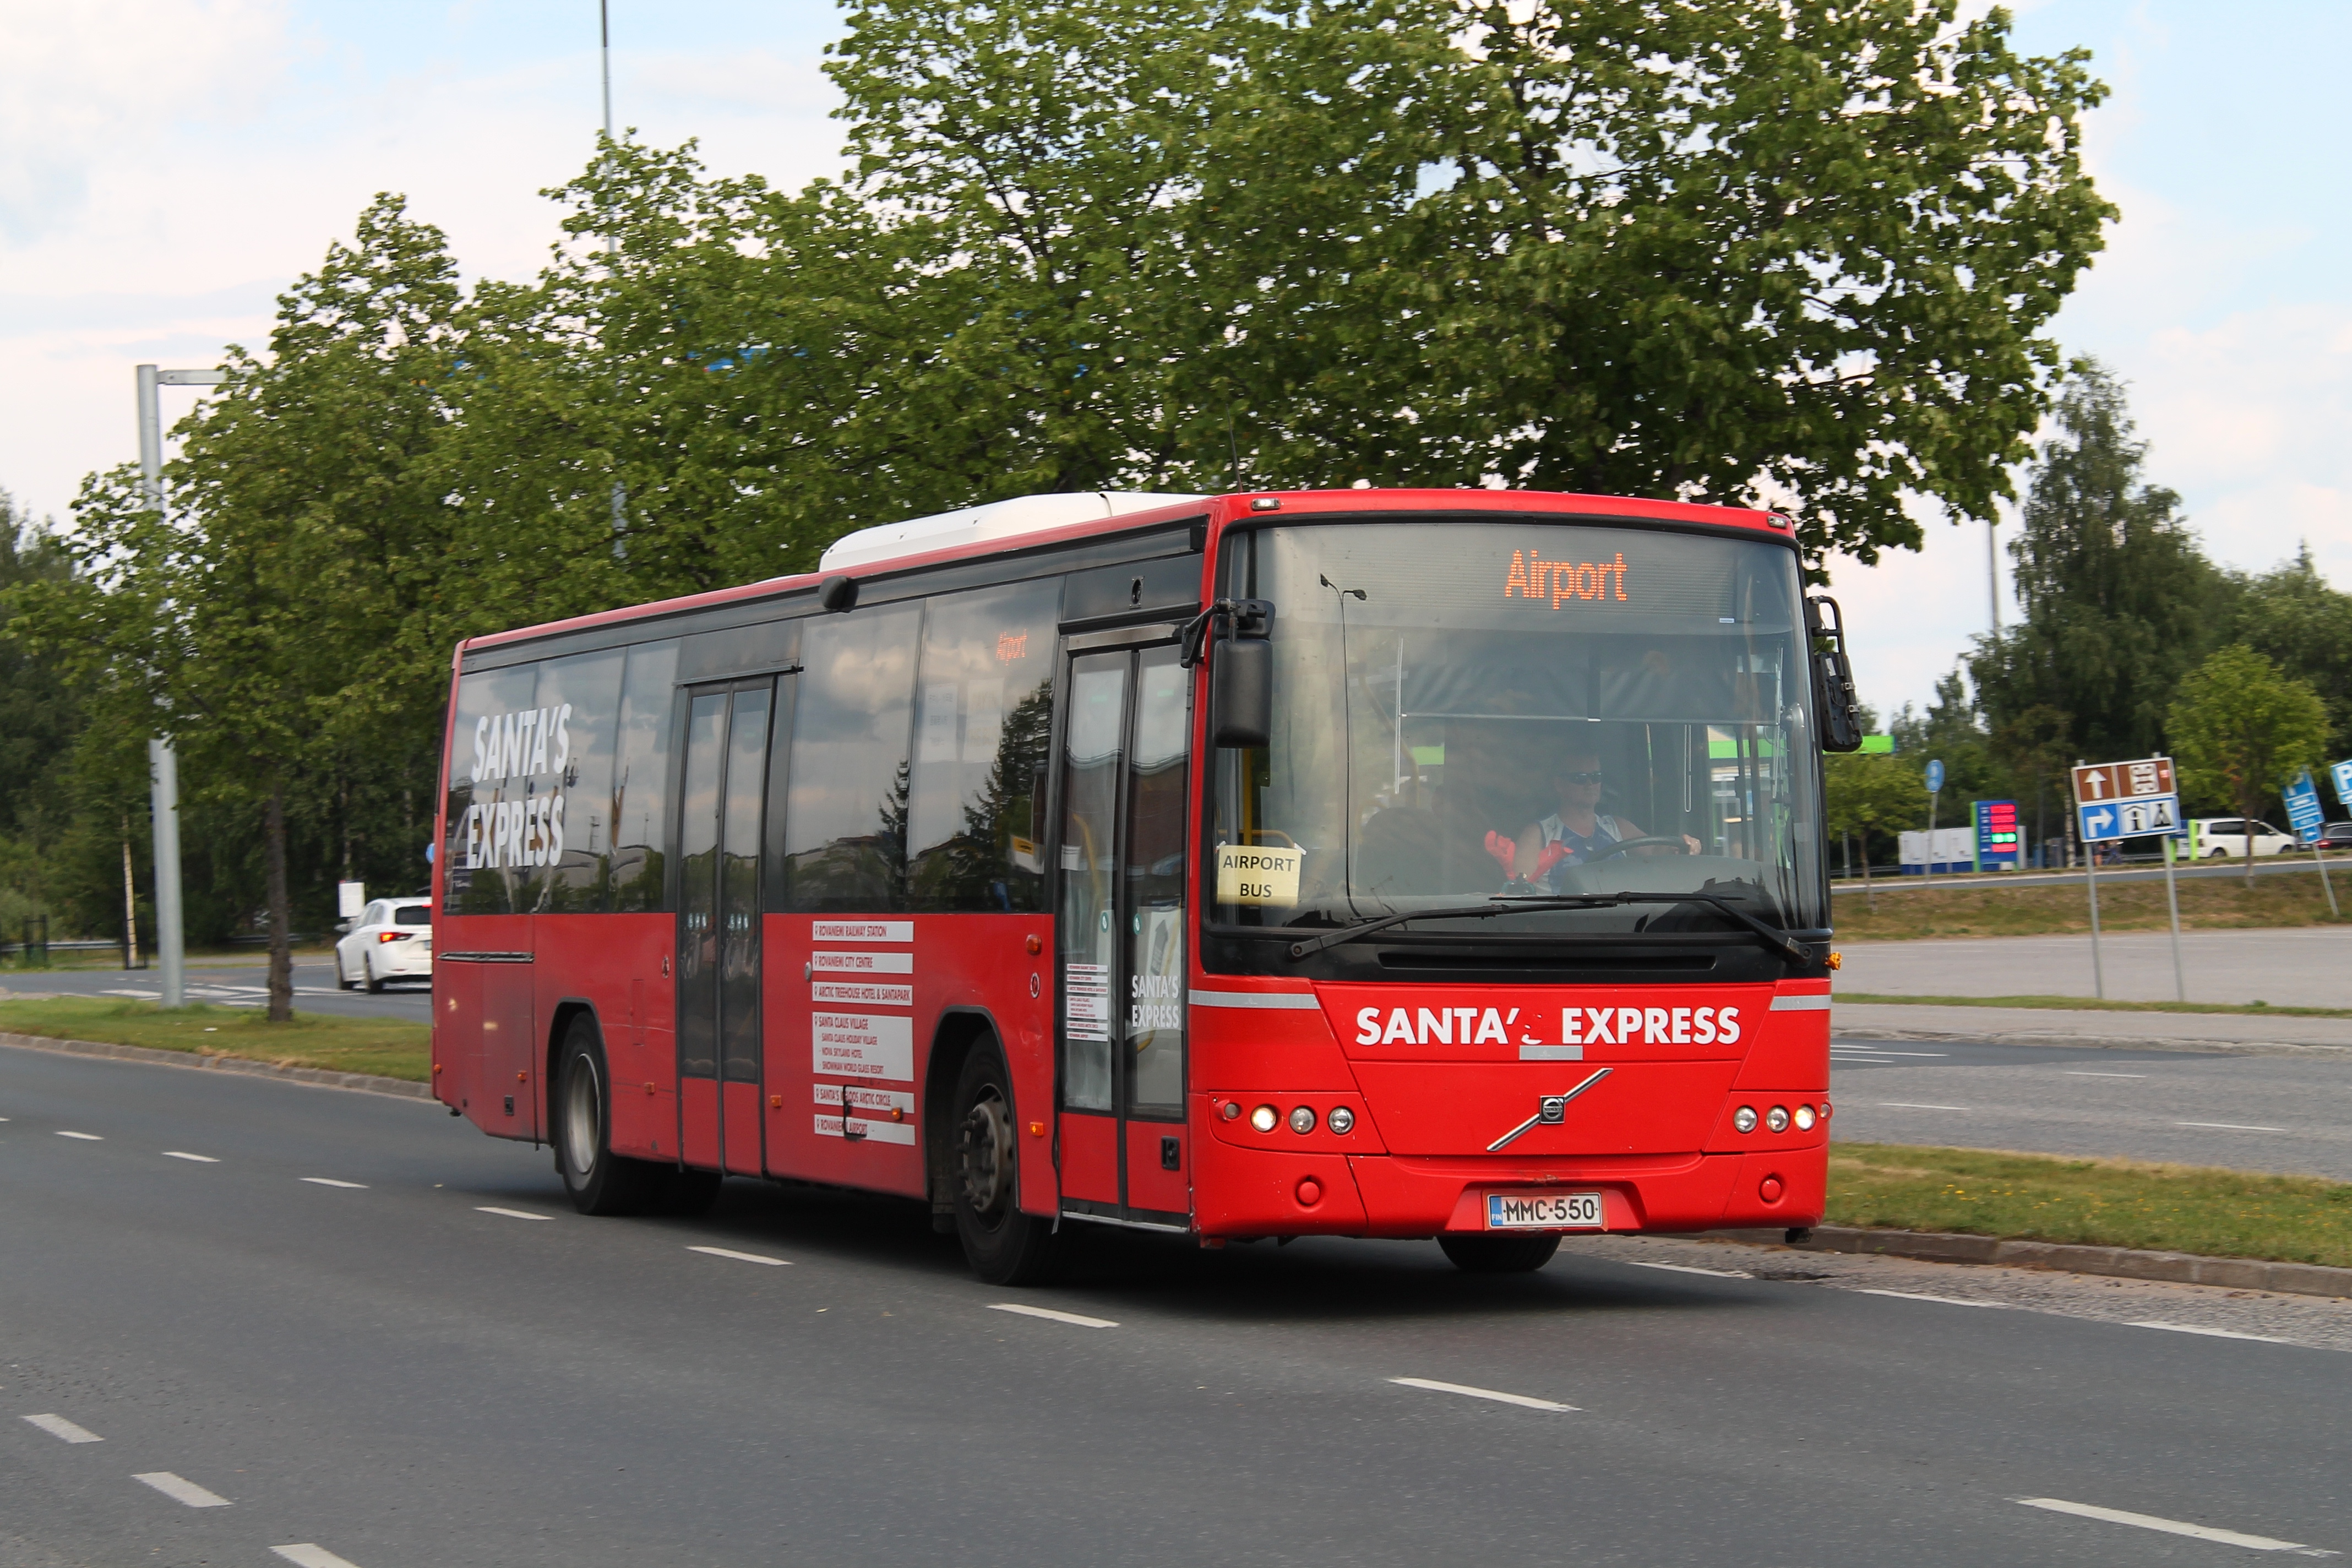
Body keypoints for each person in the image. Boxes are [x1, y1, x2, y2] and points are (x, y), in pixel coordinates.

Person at [1491, 750, 1700, 892]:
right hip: (1561, 931)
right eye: (1580, 778)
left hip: (1620, 924)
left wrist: (1682, 846)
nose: (1590, 784)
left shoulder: (1618, 827)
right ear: (1559, 785)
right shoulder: (1538, 833)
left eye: (1596, 776)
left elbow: (1656, 852)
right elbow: (1519, 892)